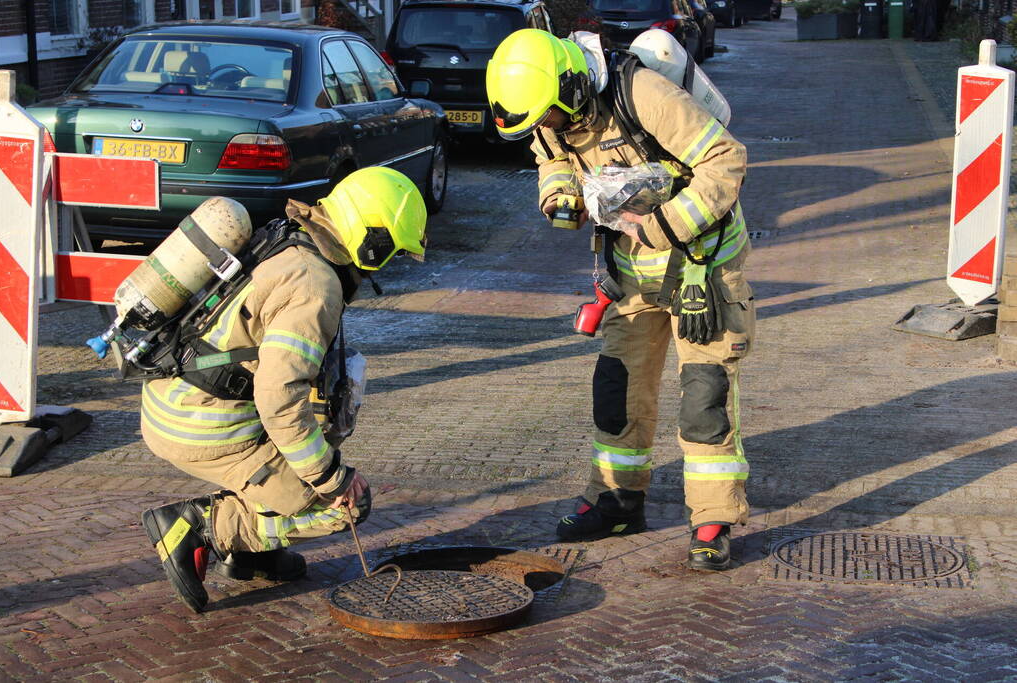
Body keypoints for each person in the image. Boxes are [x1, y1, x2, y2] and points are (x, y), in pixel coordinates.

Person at [486, 29, 755, 570]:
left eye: (548, 118)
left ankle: (712, 519)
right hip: (630, 275)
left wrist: (663, 226)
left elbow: (726, 160)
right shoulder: (551, 110)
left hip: (700, 268)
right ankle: (616, 502)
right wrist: (557, 193)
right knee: (618, 390)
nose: (544, 129)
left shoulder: (644, 95)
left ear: (573, 89)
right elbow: (552, 158)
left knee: (703, 396)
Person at [141, 167, 428, 612]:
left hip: (177, 402)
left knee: (319, 422)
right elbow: (279, 396)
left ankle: (252, 558)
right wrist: (331, 478)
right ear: (373, 239)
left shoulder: (292, 239)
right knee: (346, 505)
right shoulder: (315, 284)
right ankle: (201, 527)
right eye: (390, 250)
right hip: (206, 425)